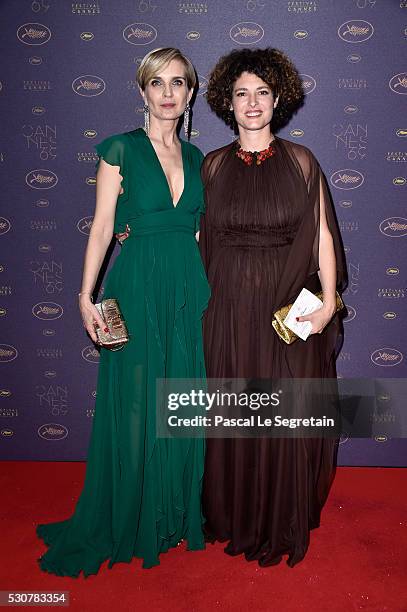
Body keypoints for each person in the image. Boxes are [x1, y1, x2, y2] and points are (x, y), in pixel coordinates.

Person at [35, 47, 210, 577]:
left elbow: (198, 229)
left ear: (190, 93)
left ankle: (171, 516)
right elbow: (102, 226)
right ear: (142, 91)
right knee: (136, 403)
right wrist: (85, 296)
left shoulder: (201, 159)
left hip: (187, 287)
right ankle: (129, 519)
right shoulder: (118, 149)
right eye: (157, 83)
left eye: (178, 83)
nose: (168, 93)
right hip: (136, 286)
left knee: (180, 400)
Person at [198, 48, 347, 567]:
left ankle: (276, 518)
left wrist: (328, 303)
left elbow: (323, 235)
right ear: (227, 103)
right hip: (226, 308)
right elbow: (194, 235)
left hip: (283, 306)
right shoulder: (211, 166)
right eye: (242, 93)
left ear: (277, 98)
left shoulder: (302, 161)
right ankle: (233, 514)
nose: (252, 102)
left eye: (262, 92)